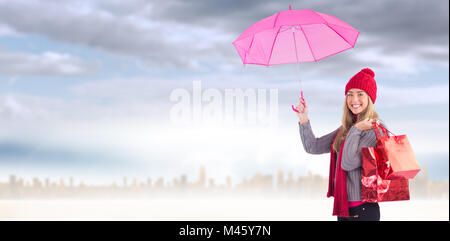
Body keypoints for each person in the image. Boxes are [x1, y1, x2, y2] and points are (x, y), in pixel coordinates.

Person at [295, 68, 385, 221]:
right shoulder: (346, 128)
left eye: (360, 94)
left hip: (364, 210)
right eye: (350, 94)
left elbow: (348, 163)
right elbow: (313, 146)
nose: (354, 99)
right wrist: (304, 119)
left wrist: (356, 130)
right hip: (343, 210)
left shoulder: (374, 130)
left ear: (370, 98)